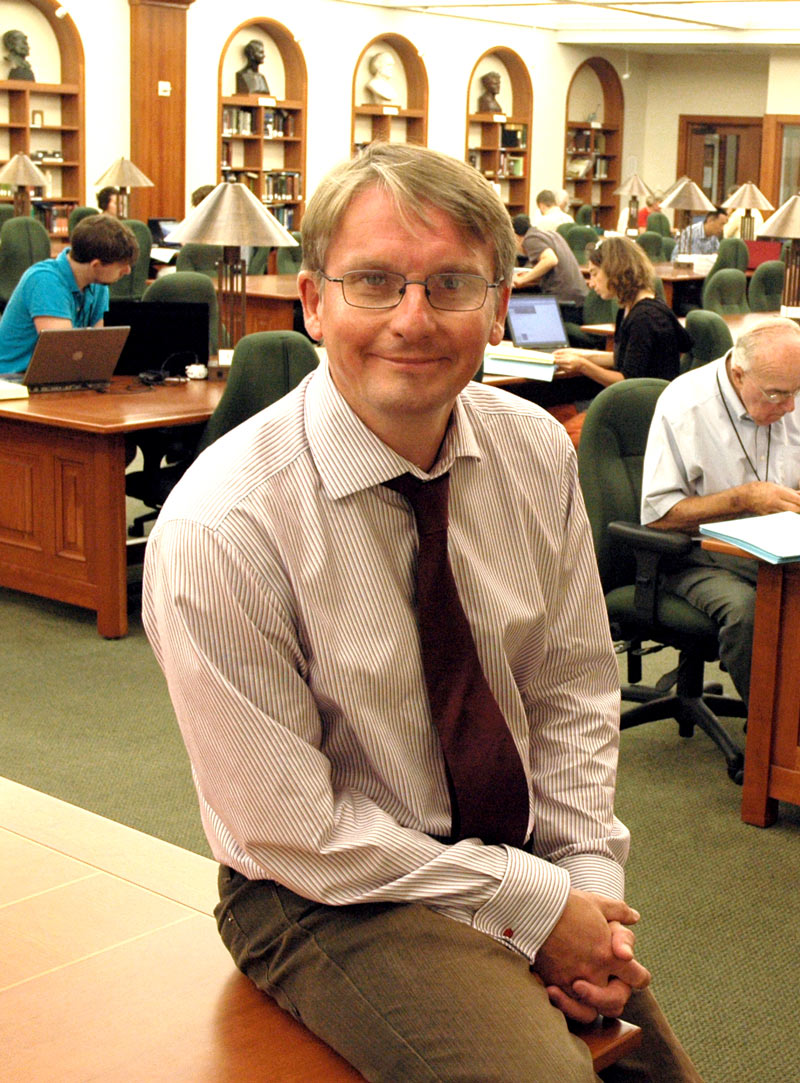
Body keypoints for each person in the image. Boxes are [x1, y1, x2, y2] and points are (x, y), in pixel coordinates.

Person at [143, 142, 702, 1083]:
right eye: (374, 281)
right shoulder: (224, 526)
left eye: (450, 283)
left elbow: (570, 689)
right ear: (314, 301)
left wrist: (590, 893)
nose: (414, 319)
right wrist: (535, 901)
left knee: (655, 1074)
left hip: (501, 844)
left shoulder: (532, 449)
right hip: (321, 893)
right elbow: (293, 830)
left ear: (493, 306)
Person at [641, 317, 800, 706]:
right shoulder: (686, 405)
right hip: (692, 554)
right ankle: (772, 748)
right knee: (750, 614)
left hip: (775, 550)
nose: (790, 406)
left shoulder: (788, 392)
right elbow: (659, 516)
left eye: (796, 392)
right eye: (777, 395)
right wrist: (744, 499)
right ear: (738, 373)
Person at [0, 214, 137, 374]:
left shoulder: (98, 284)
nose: (127, 271)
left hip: (55, 379)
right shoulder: (44, 281)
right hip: (13, 381)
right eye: (122, 265)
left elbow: (102, 351)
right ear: (96, 265)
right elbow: (63, 357)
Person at [553, 237, 690, 389]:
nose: (591, 283)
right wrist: (577, 354)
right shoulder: (628, 309)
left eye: (595, 274)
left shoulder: (645, 318)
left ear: (614, 270)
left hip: (644, 403)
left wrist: (583, 365)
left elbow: (627, 382)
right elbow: (622, 358)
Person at [512, 216, 588, 323]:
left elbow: (551, 260)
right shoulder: (551, 234)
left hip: (564, 303)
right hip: (578, 301)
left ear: (515, 236)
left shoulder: (530, 239)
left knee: (517, 313)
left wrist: (521, 280)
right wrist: (528, 277)